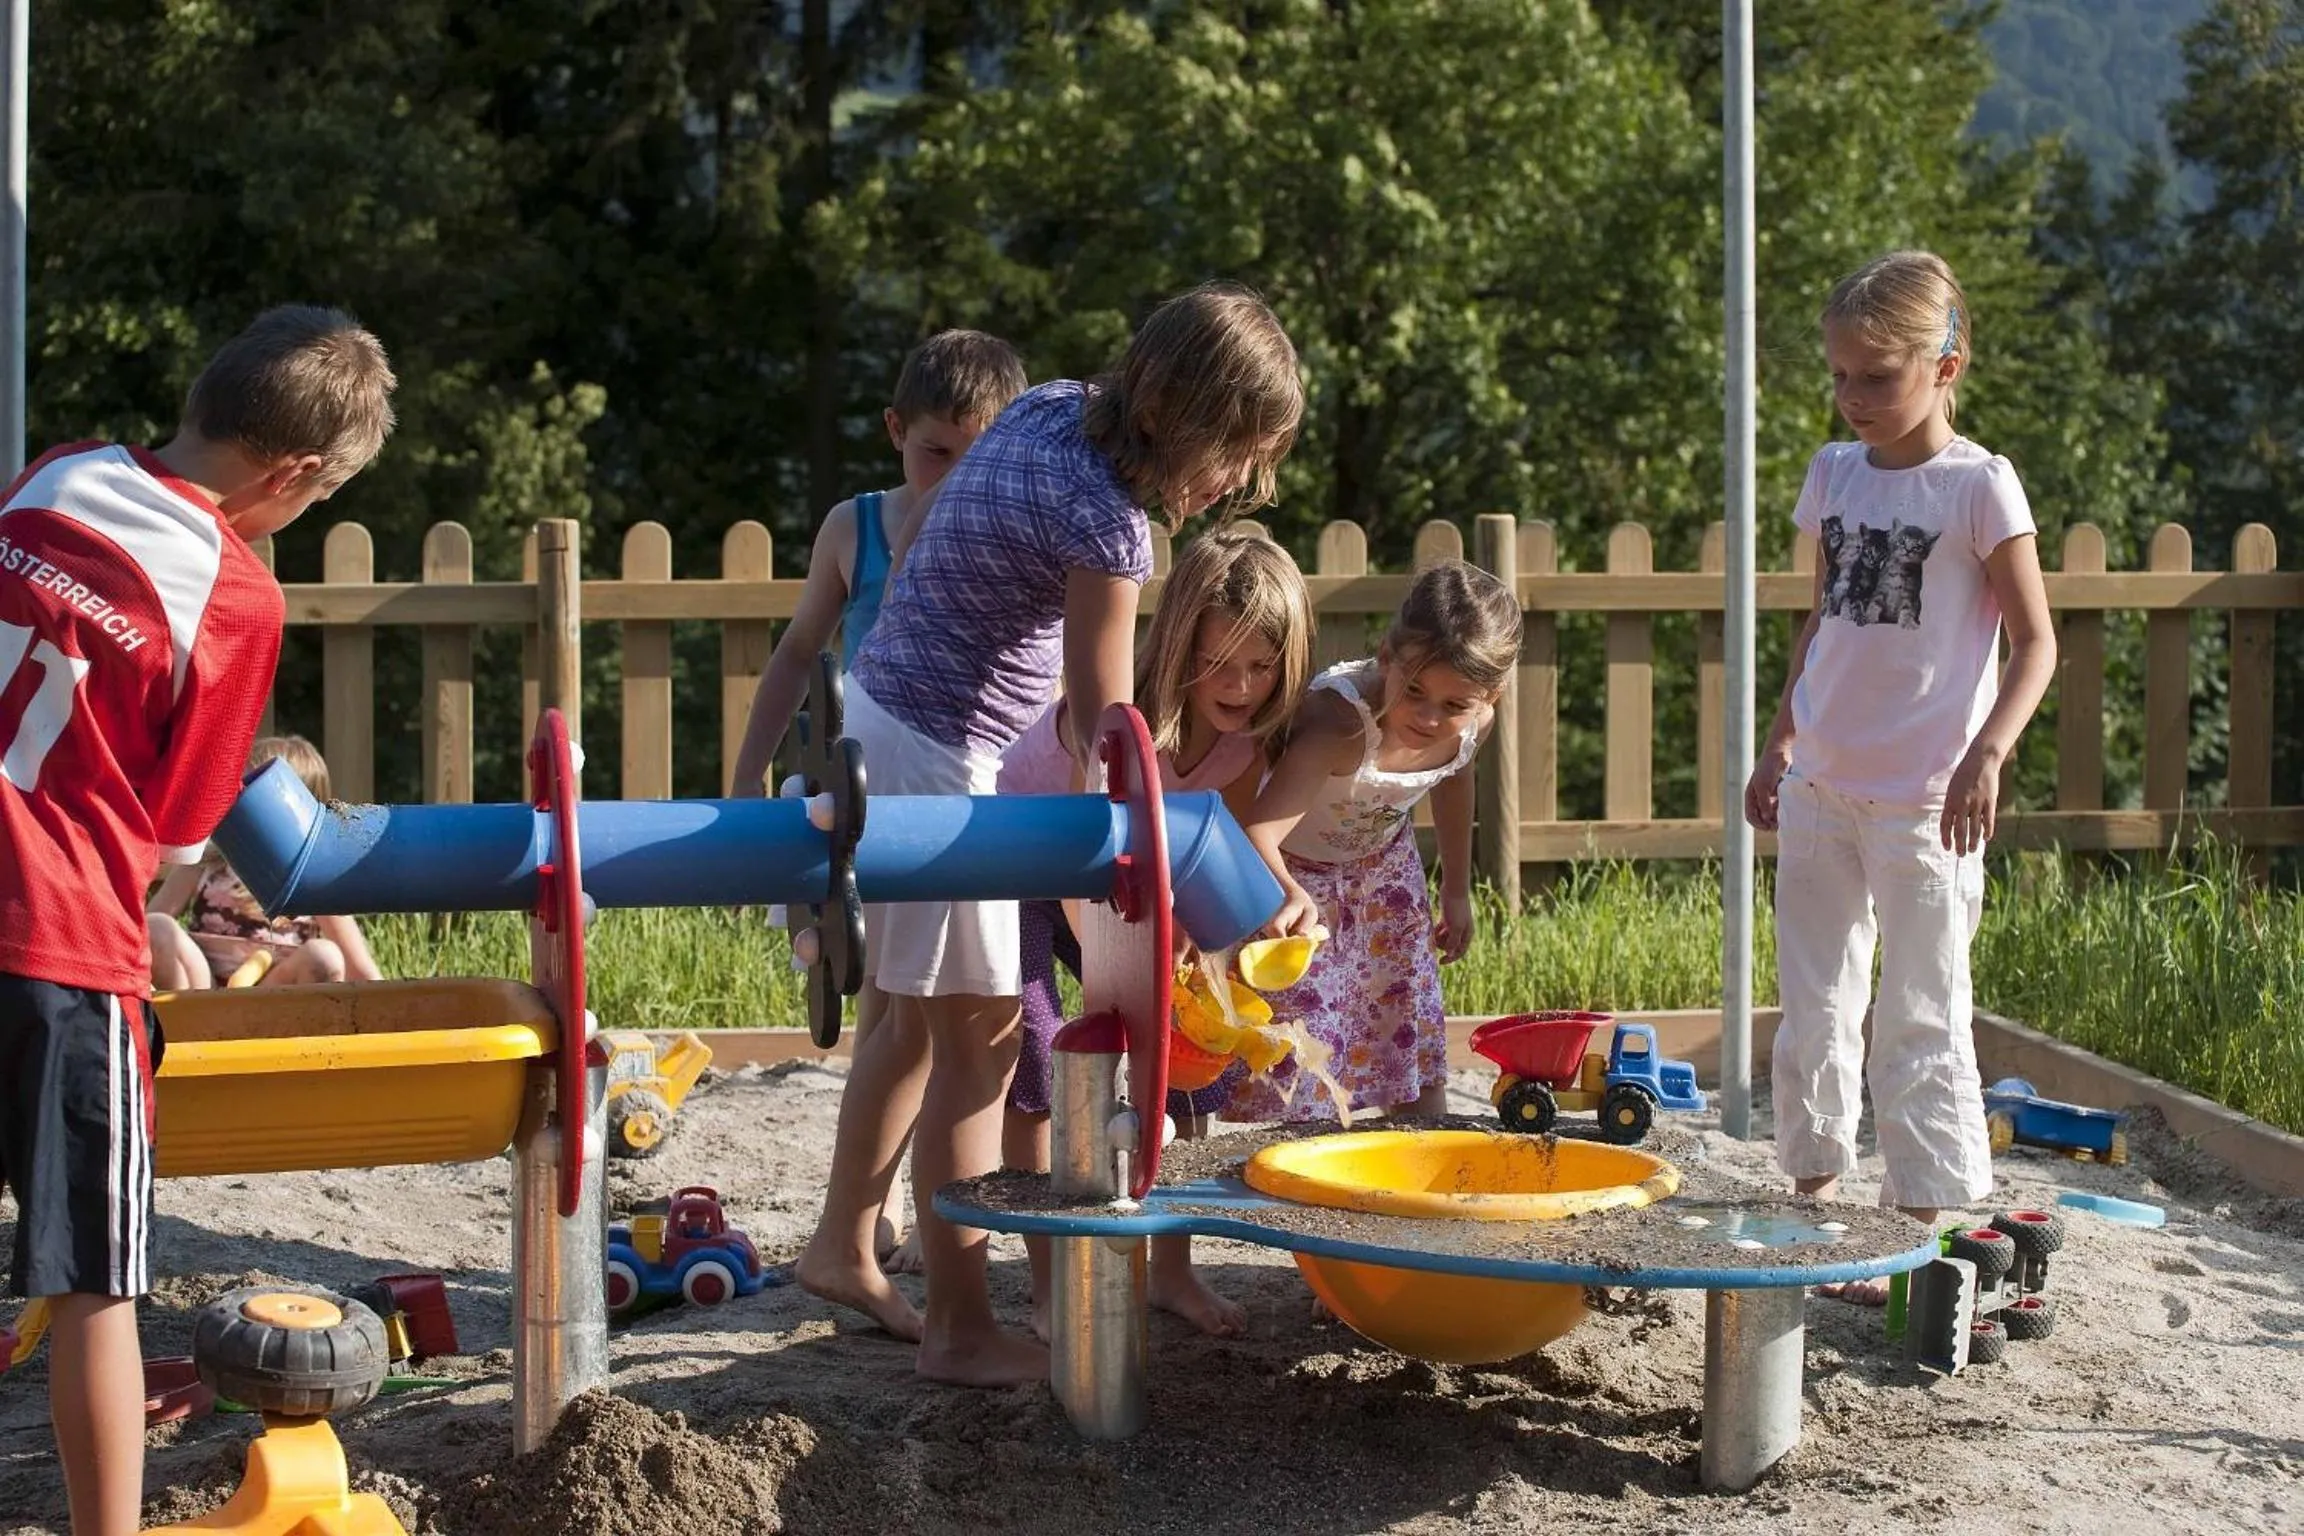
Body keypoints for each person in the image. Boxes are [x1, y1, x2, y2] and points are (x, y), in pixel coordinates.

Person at [794, 282, 1302, 1387]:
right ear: (1191, 417)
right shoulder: (1112, 526)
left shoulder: (1055, 408)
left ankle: (842, 1242)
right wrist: (1128, 862)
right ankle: (960, 1327)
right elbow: (1100, 722)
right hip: (939, 758)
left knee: (907, 1026)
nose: (1233, 486)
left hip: (884, 712)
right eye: (1238, 455)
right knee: (976, 1051)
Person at [0, 306, 395, 1536]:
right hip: (57, 945)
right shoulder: (232, 596)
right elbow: (178, 839)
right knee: (94, 1286)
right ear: (289, 477)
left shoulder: (56, 475)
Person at [1742, 250, 2055, 1301]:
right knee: (1816, 999)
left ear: (1946, 362)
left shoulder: (1979, 484)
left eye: (1877, 375)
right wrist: (1778, 740)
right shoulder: (1832, 471)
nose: (1854, 397)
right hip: (1822, 784)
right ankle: (1817, 1198)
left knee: (1923, 1004)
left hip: (1928, 800)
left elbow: (2036, 644)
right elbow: (1822, 625)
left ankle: (1915, 1217)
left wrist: (1988, 754)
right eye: (1839, 375)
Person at [728, 329, 1027, 1271]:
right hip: (868, 786)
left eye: (979, 460)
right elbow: (796, 656)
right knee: (897, 1017)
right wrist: (745, 775)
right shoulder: (856, 526)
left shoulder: (1005, 538)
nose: (952, 479)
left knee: (908, 1021)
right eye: (937, 452)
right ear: (897, 430)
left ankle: (858, 1223)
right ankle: (857, 1224)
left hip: (950, 798)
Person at [998, 529, 1313, 1339]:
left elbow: (1225, 852)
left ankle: (1171, 1268)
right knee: (1038, 1059)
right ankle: (1044, 1286)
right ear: (1180, 647)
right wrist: (1134, 963)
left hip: (1130, 888)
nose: (1240, 685)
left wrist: (1274, 905)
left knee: (1188, 1050)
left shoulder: (1246, 739)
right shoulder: (1118, 712)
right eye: (1218, 664)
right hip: (1030, 865)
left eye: (1261, 665)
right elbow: (1082, 845)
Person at [1233, 559, 1521, 1124]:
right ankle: (1299, 1141)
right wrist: (1289, 892)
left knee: (1401, 1000)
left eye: (1454, 705)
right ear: (1387, 656)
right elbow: (1256, 833)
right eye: (1414, 691)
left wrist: (1457, 891)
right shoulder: (1339, 725)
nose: (1430, 717)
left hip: (1383, 866)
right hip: (1295, 873)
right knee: (1306, 1017)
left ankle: (1422, 1129)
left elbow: (1454, 779)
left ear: (1492, 695)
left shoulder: (1475, 722)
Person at [147, 736, 383, 990]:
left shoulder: (311, 878)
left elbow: (360, 968)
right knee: (157, 926)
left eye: (252, 793)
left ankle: (293, 1028)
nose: (238, 801)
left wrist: (393, 1017)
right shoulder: (210, 860)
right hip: (204, 991)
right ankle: (182, 1022)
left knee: (324, 956)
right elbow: (147, 928)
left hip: (273, 998)